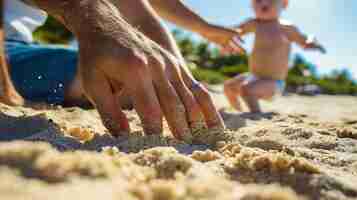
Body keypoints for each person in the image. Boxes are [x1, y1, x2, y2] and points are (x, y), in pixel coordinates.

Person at [0, 0, 244, 140]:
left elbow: (139, 11)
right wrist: (86, 9)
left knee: (139, 76)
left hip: (23, 46)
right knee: (120, 80)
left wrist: (183, 86)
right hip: (6, 48)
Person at [224, 0, 326, 113]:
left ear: (284, 4)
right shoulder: (254, 23)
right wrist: (224, 40)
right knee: (229, 87)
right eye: (258, 0)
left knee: (246, 89)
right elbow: (232, 32)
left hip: (273, 82)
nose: (264, 3)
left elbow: (305, 41)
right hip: (253, 76)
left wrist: (313, 42)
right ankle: (238, 111)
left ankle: (256, 114)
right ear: (251, 4)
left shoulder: (286, 28)